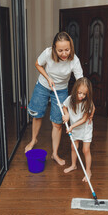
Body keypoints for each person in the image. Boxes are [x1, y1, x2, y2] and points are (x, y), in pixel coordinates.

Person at [25, 32, 83, 166]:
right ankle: (34, 140)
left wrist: (81, 99)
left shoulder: (74, 60)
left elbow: (80, 82)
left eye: (67, 50)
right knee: (37, 115)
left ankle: (54, 154)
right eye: (60, 50)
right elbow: (37, 64)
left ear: (71, 48)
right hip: (43, 86)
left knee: (57, 123)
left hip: (61, 90)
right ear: (54, 49)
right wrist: (48, 77)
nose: (64, 53)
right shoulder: (48, 53)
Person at [62, 77, 95, 182]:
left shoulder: (87, 103)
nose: (81, 96)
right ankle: (73, 165)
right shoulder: (70, 99)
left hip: (85, 128)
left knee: (85, 150)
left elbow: (85, 119)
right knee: (74, 147)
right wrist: (66, 115)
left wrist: (71, 126)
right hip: (75, 128)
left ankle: (88, 171)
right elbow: (64, 106)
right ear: (75, 89)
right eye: (79, 92)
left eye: (84, 94)